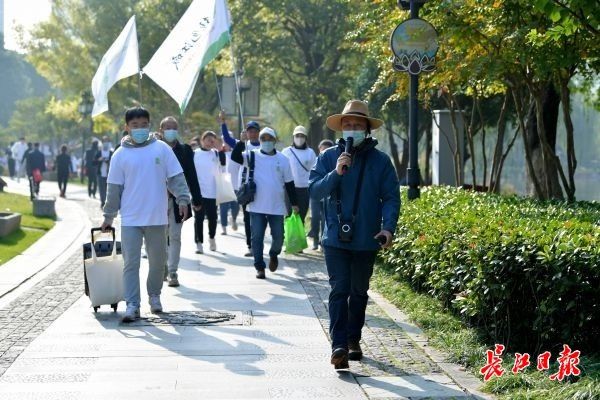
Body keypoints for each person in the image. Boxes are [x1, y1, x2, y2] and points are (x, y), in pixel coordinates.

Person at [309, 100, 400, 369]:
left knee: (359, 292)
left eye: (357, 125)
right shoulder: (327, 158)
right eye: (347, 125)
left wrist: (388, 227)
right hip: (335, 238)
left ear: (367, 129)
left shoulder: (381, 161)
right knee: (339, 290)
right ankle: (338, 346)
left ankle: (352, 339)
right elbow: (314, 191)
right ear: (341, 129)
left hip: (366, 239)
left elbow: (391, 198)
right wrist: (336, 173)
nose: (352, 129)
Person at [101, 106, 191, 323]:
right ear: (127, 128)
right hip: (131, 218)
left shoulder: (161, 149)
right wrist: (108, 216)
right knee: (131, 263)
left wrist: (183, 199)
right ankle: (132, 304)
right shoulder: (120, 155)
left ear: (149, 125)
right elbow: (114, 189)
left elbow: (176, 177)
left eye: (143, 125)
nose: (139, 129)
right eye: (134, 125)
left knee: (158, 262)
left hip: (157, 218)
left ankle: (154, 296)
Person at [231, 127, 299, 279]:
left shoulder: (283, 159)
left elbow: (289, 183)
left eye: (270, 139)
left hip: (276, 206)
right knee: (257, 237)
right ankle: (259, 267)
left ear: (275, 140)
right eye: (263, 139)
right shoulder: (251, 155)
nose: (266, 142)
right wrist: (241, 142)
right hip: (256, 205)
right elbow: (235, 157)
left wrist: (294, 203)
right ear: (259, 141)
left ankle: (274, 254)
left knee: (279, 237)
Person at [160, 116, 202, 287]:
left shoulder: (185, 150)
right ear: (161, 130)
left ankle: (172, 272)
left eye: (174, 127)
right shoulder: (155, 148)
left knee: (175, 236)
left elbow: (191, 175)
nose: (171, 130)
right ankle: (161, 266)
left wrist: (197, 198)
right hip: (158, 201)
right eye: (167, 127)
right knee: (160, 237)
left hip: (179, 201)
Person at [219, 112, 261, 257]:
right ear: (246, 133)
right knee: (248, 217)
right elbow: (226, 138)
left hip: (262, 187)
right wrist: (223, 122)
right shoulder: (242, 145)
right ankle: (250, 245)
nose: (253, 133)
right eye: (250, 131)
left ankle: (258, 243)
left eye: (255, 131)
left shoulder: (264, 147)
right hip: (246, 188)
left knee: (260, 218)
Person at [193, 131, 225, 254]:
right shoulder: (195, 154)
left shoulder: (217, 154)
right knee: (198, 219)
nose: (210, 143)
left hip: (213, 192)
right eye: (208, 140)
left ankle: (211, 238)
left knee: (213, 218)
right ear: (202, 140)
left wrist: (220, 151)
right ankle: (199, 243)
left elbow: (223, 167)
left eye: (212, 141)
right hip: (198, 193)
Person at [282, 126, 317, 224]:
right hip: (289, 188)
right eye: (297, 135)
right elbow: (281, 170)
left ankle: (297, 237)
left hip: (305, 189)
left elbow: (314, 171)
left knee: (301, 216)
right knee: (289, 215)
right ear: (293, 137)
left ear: (305, 138)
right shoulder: (286, 151)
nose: (299, 138)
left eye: (302, 136)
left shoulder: (310, 153)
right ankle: (287, 237)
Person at [308, 139, 335, 250]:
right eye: (322, 149)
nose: (324, 151)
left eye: (327, 149)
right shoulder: (314, 161)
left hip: (328, 197)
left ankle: (322, 242)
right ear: (319, 149)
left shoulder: (335, 162)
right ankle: (314, 239)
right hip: (315, 196)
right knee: (315, 218)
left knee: (325, 219)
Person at [219, 140, 240, 235]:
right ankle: (224, 227)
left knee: (235, 207)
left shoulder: (235, 154)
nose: (225, 145)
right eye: (224, 143)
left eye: (227, 143)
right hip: (224, 183)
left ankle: (234, 218)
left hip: (235, 184)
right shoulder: (220, 154)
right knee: (223, 208)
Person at [97, 136, 113, 208]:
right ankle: (102, 202)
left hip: (109, 174)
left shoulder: (111, 153)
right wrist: (99, 160)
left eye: (107, 141)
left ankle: (107, 202)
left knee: (108, 190)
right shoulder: (99, 153)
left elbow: (114, 162)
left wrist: (108, 161)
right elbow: (93, 162)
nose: (105, 143)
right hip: (100, 174)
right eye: (104, 141)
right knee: (101, 189)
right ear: (102, 142)